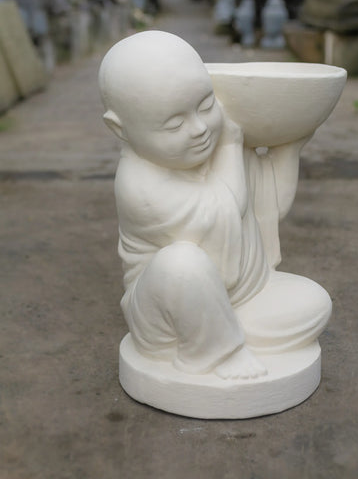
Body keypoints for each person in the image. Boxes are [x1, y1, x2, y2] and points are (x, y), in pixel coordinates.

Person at [99, 31, 331, 380]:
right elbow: (230, 206)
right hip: (169, 315)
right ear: (121, 130)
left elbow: (265, 210)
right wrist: (229, 147)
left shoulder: (207, 153)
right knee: (181, 262)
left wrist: (289, 146)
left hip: (241, 293)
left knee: (316, 303)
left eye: (206, 106)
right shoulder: (140, 186)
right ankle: (214, 352)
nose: (199, 129)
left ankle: (231, 325)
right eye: (174, 124)